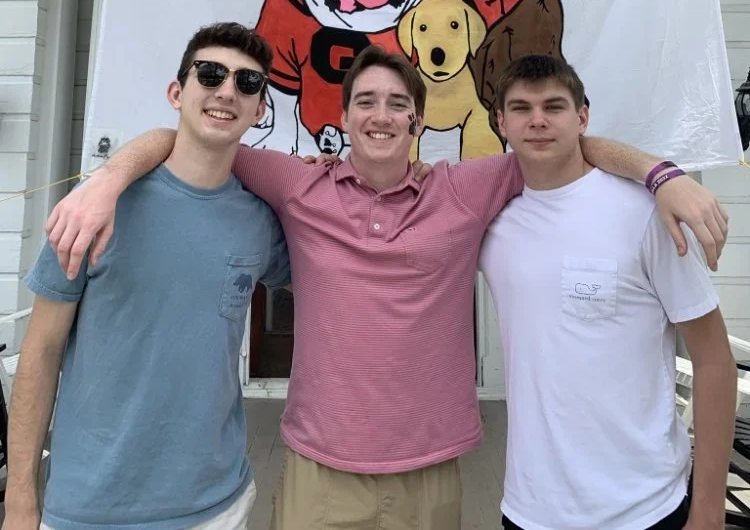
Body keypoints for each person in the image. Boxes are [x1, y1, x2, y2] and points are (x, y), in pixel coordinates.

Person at [44, 46, 728, 530]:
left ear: (418, 122)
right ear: (344, 117)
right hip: (320, 465)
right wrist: (105, 182)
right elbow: (180, 135)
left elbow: (563, 144)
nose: (380, 114)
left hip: (431, 467)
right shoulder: (297, 182)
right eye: (366, 101)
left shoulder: (469, 186)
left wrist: (663, 176)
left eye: (398, 104)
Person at [4, 23, 291, 530]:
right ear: (177, 92)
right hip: (89, 510)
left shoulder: (258, 222)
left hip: (218, 506)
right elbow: (41, 352)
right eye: (210, 74)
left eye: (248, 83)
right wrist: (20, 502)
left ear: (260, 109)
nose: (227, 90)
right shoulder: (93, 209)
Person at [480, 54, 737, 530]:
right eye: (521, 108)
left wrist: (709, 510)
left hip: (644, 508)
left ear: (582, 117)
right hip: (529, 510)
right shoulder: (491, 217)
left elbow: (714, 360)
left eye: (554, 106)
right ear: (500, 121)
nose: (537, 120)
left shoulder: (647, 216)